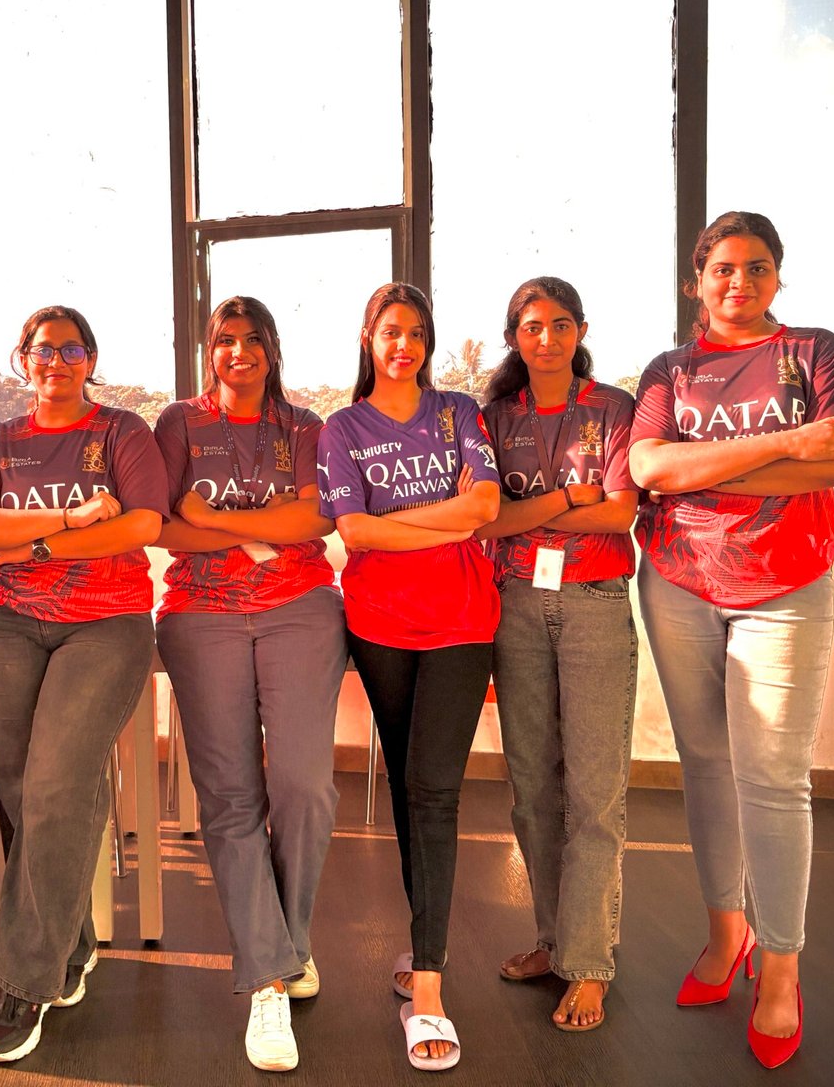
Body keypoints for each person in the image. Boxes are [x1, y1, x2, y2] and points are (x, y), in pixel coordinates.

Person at [628, 211, 834, 1069]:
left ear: (778, 277)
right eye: (722, 268)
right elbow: (650, 469)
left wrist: (707, 463)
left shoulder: (815, 354)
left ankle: (781, 970)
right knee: (705, 763)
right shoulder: (670, 370)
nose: (739, 281)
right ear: (697, 280)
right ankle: (727, 937)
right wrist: (787, 444)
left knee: (773, 779)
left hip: (787, 585)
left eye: (757, 267)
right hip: (678, 582)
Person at [0, 305, 166, 1064]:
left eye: (72, 351)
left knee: (54, 786)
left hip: (105, 622)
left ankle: (27, 982)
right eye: (43, 350)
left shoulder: (122, 432)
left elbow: (141, 526)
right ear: (24, 360)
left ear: (90, 361)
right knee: (21, 789)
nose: (56, 362)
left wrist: (36, 543)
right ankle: (72, 945)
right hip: (1, 624)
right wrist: (76, 520)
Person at [152, 296, 345, 1073]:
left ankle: (286, 940)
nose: (239, 352)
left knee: (304, 786)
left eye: (252, 338)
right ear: (210, 352)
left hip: (300, 608)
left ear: (272, 348)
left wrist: (211, 517)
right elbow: (160, 525)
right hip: (201, 614)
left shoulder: (304, 427)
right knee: (231, 797)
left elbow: (317, 522)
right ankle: (269, 978)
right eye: (225, 340)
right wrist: (264, 520)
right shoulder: (178, 423)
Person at [316, 282, 501, 1073]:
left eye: (417, 333)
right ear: (369, 339)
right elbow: (351, 531)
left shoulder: (458, 413)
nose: (405, 345)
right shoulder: (341, 428)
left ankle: (427, 986)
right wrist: (438, 519)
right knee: (407, 788)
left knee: (433, 791)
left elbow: (485, 507)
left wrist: (393, 525)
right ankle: (423, 945)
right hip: (380, 625)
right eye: (391, 332)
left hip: (462, 619)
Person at [475, 277, 640, 1033]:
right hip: (514, 604)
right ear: (515, 336)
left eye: (561, 324)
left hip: (595, 601)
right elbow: (486, 521)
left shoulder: (613, 408)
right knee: (533, 790)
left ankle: (590, 964)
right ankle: (554, 940)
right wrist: (569, 500)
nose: (547, 338)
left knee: (594, 793)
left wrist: (529, 514)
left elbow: (619, 511)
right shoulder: (493, 419)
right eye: (532, 326)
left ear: (580, 332)